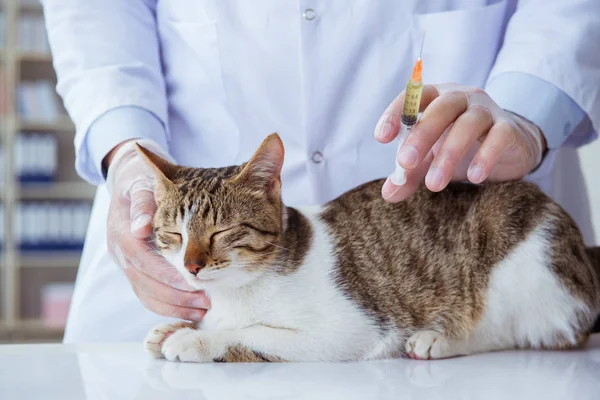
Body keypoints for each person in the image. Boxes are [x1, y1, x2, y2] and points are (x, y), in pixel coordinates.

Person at [40, 0, 600, 343]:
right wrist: (126, 148)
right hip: (183, 178)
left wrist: (529, 111)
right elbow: (94, 11)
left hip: (461, 262)